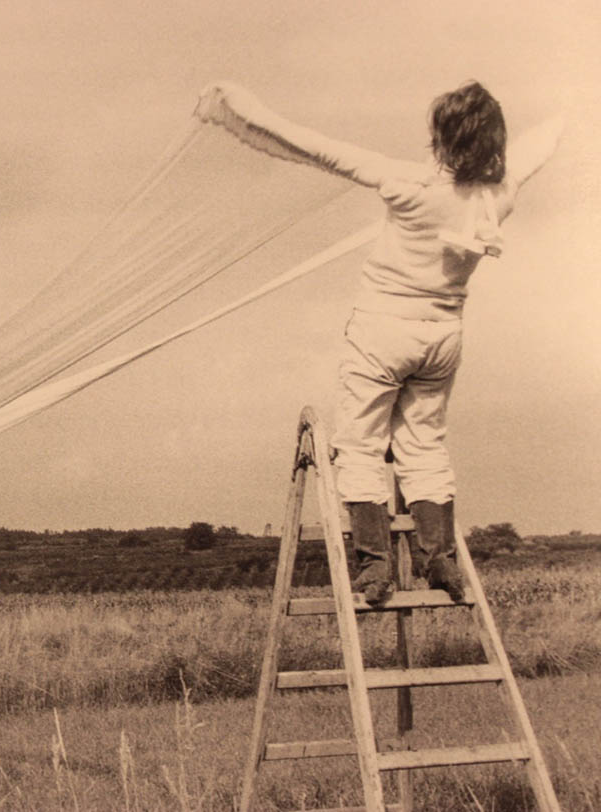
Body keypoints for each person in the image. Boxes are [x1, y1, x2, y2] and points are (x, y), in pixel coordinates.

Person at [204, 81, 563, 603]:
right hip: (443, 335)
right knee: (425, 446)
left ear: (440, 136)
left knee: (360, 446)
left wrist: (237, 105)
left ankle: (374, 569)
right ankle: (439, 562)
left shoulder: (408, 184)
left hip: (383, 330)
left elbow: (311, 145)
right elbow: (545, 141)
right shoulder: (499, 192)